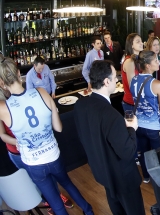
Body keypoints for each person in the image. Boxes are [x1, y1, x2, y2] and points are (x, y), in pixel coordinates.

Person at [0, 57, 93, 215]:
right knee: (68, 183)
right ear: (18, 73)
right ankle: (88, 211)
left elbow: (3, 136)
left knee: (56, 204)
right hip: (53, 155)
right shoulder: (41, 92)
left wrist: (20, 141)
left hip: (33, 163)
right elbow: (58, 127)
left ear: (2, 83)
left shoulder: (3, 108)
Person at [74, 60, 145, 215]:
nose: (117, 80)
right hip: (123, 179)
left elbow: (84, 137)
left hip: (102, 172)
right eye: (114, 78)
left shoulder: (80, 105)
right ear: (106, 82)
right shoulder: (111, 115)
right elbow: (127, 152)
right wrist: (131, 129)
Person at [131, 51, 160, 184]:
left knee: (144, 152)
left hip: (138, 125)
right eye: (156, 61)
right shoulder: (157, 84)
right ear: (147, 65)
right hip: (154, 127)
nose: (158, 63)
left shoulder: (133, 80)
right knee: (159, 153)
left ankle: (146, 176)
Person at [121, 33, 144, 112]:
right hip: (131, 103)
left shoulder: (138, 60)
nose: (141, 43)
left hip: (139, 101)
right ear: (131, 45)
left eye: (141, 41)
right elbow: (133, 85)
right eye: (138, 42)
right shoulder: (129, 61)